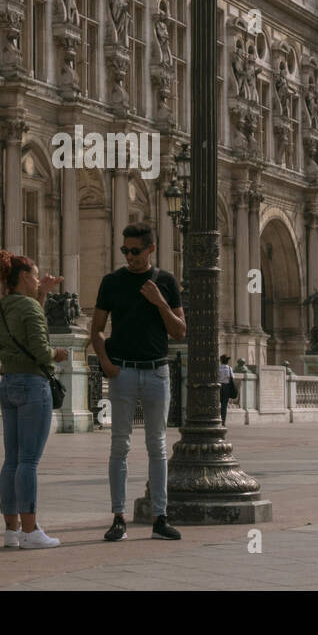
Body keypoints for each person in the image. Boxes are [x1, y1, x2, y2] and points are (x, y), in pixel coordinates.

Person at [90, 222, 186, 542]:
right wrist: (104, 360)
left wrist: (159, 301)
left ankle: (160, 516)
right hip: (124, 372)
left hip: (158, 371)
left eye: (135, 251)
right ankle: (118, 517)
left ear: (150, 250)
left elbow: (180, 332)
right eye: (125, 251)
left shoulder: (167, 282)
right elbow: (98, 329)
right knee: (120, 445)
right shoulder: (111, 282)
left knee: (157, 446)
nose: (129, 257)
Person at [0, 250, 69, 549]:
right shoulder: (29, 307)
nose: (38, 280)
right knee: (28, 461)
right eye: (36, 276)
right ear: (24, 277)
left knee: (11, 459)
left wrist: (43, 294)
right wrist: (57, 354)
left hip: (8, 383)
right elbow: (39, 348)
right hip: (32, 385)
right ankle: (31, 530)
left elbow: (21, 328)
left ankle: (12, 530)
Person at [217, 355, 236, 426]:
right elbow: (232, 378)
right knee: (224, 405)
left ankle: (216, 419)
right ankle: (223, 422)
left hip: (218, 387)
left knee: (216, 404)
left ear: (221, 360)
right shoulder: (229, 368)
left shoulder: (217, 368)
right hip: (226, 387)